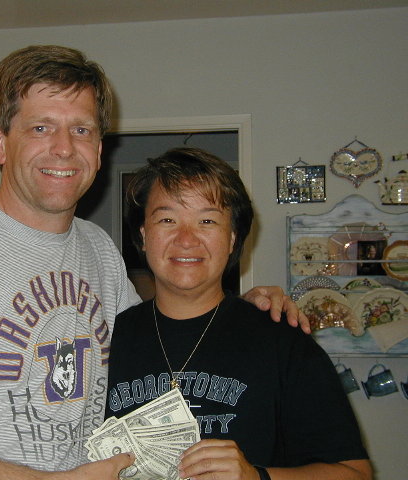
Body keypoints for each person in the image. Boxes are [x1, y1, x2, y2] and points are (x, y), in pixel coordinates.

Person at [0, 45, 308, 480]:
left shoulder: (98, 249)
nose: (64, 148)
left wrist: (237, 312)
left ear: (99, 149)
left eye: (82, 130)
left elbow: (159, 338)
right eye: (40, 128)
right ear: (0, 143)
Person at [105, 147, 372, 480]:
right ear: (144, 236)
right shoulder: (107, 338)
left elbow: (355, 473)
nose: (186, 239)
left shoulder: (282, 341)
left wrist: (257, 477)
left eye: (207, 221)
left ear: (232, 239)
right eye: (167, 220)